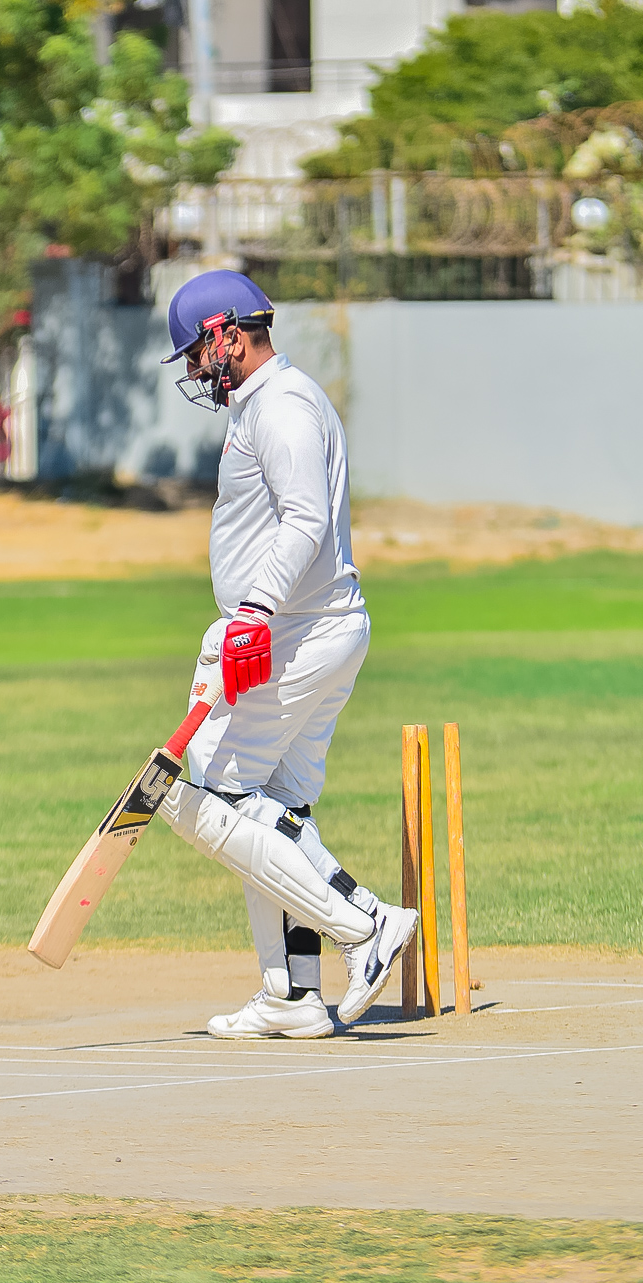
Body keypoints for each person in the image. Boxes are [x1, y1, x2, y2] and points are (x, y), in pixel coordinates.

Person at [157, 270, 417, 1038]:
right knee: (274, 812)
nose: (194, 370)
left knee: (214, 796)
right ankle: (291, 995)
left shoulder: (283, 407)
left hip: (296, 631)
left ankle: (364, 923)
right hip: (302, 629)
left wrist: (253, 612)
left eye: (195, 353)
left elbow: (304, 520)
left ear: (226, 334)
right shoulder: (267, 404)